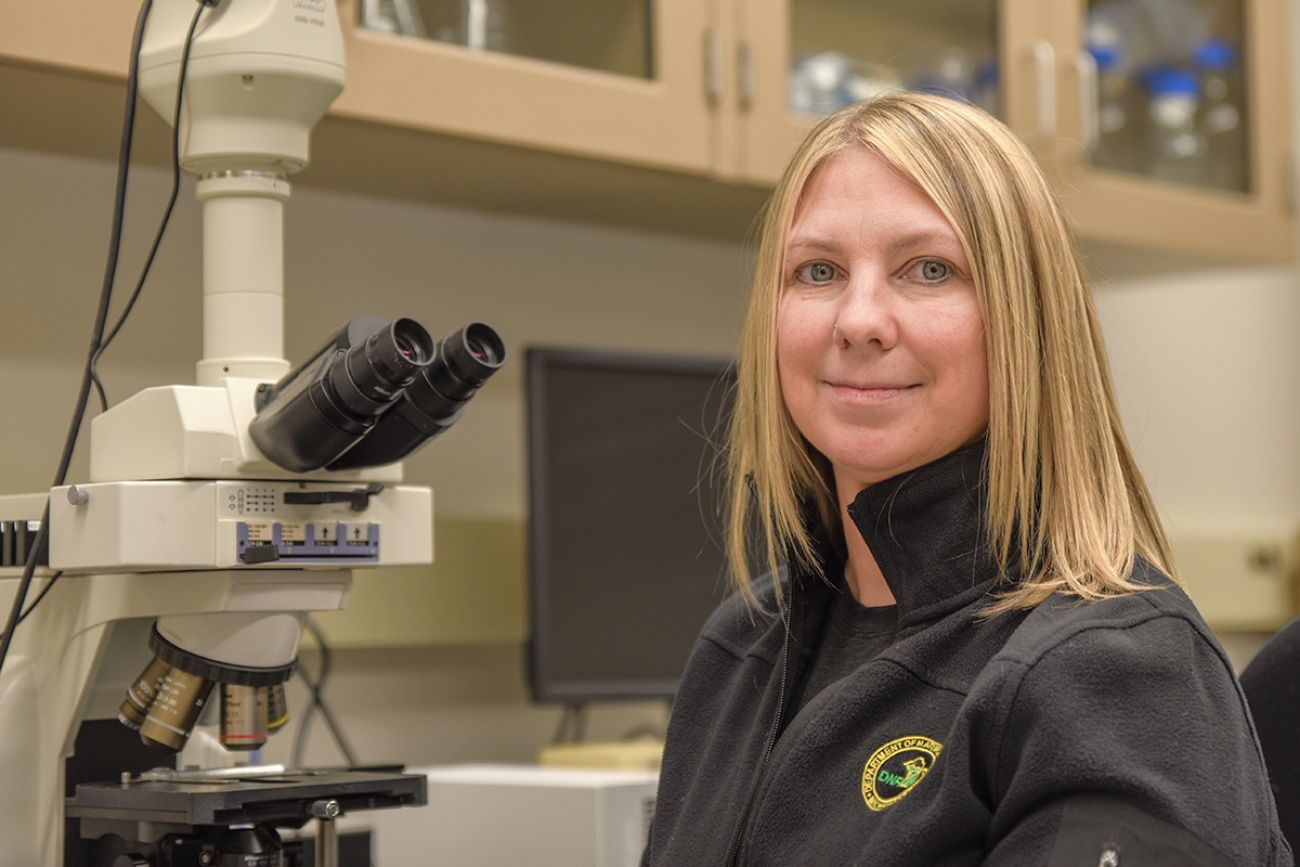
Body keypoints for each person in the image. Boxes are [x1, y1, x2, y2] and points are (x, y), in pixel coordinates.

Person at [643, 92, 1291, 866]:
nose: (859, 318)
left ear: (1023, 321)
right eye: (818, 270)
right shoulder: (741, 649)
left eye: (928, 269)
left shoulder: (1113, 670)